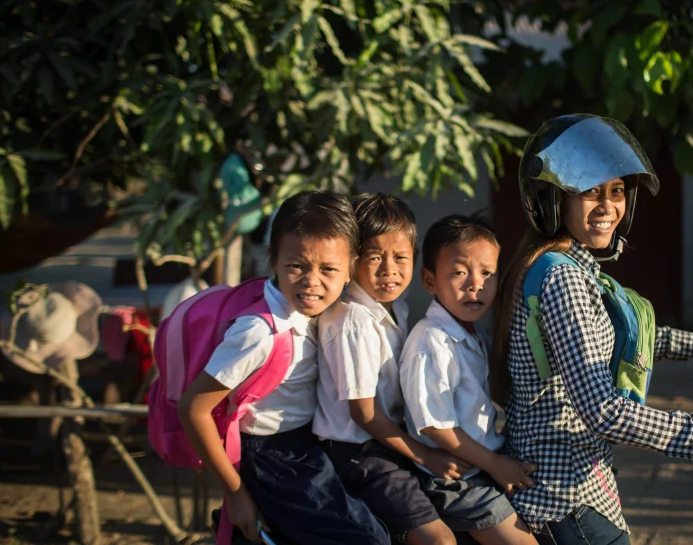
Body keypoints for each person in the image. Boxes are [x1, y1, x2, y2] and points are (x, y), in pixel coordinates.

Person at [490, 114, 693, 545]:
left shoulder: (563, 266)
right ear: (554, 199)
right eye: (590, 191)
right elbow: (605, 413)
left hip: (579, 482)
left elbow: (615, 333)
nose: (608, 206)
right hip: (563, 491)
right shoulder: (561, 278)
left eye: (617, 191)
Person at [177, 191, 389, 544]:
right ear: (273, 260)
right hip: (272, 456)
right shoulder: (259, 331)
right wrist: (235, 493)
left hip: (306, 444)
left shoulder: (315, 308)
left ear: (350, 267)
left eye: (329, 269)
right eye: (297, 266)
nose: (312, 281)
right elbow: (193, 408)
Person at [315, 193, 467, 544]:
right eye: (374, 257)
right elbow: (364, 414)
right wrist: (426, 455)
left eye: (400, 257)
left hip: (387, 440)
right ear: (351, 262)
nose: (389, 270)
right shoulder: (354, 319)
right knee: (439, 540)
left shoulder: (392, 307)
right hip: (359, 453)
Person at [399, 214, 538, 545]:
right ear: (429, 281)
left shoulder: (473, 334)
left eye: (487, 273)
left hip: (479, 466)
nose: (475, 284)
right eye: (459, 272)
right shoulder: (431, 341)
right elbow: (436, 425)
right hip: (456, 480)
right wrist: (494, 463)